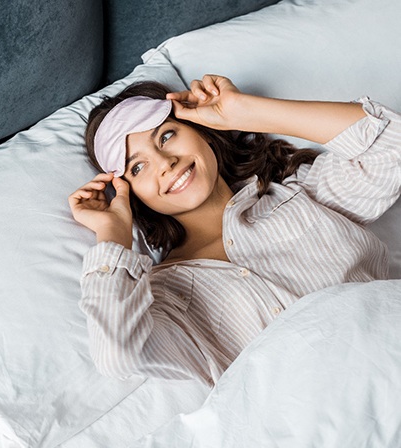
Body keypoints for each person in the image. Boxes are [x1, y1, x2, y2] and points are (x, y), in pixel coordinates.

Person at [68, 75, 401, 385]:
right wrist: (113, 233)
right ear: (130, 193)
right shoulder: (162, 295)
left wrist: (245, 112)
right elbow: (116, 355)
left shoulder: (301, 192)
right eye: (137, 167)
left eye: (166, 136)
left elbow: (393, 148)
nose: (165, 162)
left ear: (199, 129)